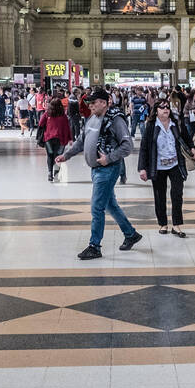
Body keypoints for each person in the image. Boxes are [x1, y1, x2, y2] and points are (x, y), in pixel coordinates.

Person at [56, 89, 142, 260]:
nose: (91, 105)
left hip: (108, 169)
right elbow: (81, 141)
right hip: (96, 169)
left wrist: (109, 158)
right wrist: (67, 155)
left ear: (104, 102)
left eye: (94, 102)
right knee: (110, 205)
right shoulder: (91, 119)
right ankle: (131, 234)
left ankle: (95, 246)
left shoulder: (115, 120)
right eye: (90, 102)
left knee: (97, 207)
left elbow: (127, 146)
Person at [137, 98, 195, 236]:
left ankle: (176, 225)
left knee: (177, 194)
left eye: (167, 107)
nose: (166, 110)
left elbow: (187, 138)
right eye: (162, 107)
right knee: (159, 196)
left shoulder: (175, 123)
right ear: (156, 111)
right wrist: (142, 168)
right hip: (157, 166)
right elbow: (144, 148)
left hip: (176, 164)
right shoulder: (151, 126)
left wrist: (192, 148)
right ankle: (163, 224)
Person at [38, 97, 73, 182]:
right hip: (61, 140)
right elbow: (67, 128)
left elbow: (40, 124)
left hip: (48, 139)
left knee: (50, 155)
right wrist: (70, 138)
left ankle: (50, 173)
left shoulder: (47, 114)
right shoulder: (63, 116)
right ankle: (56, 174)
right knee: (58, 157)